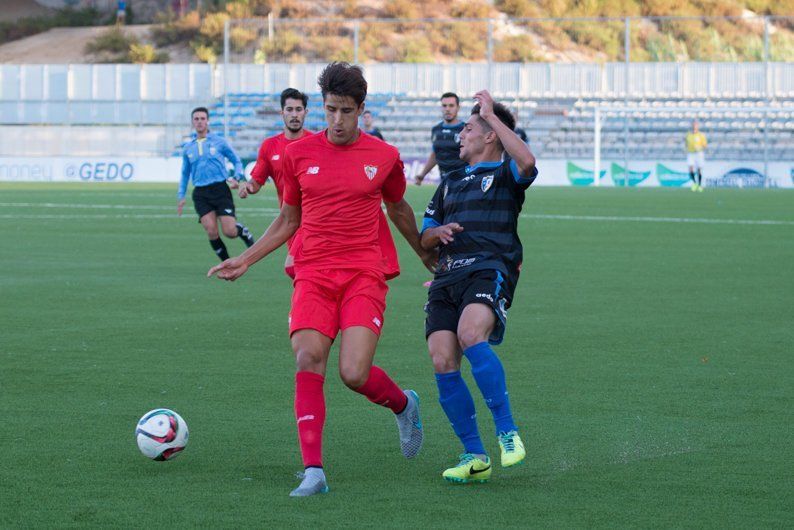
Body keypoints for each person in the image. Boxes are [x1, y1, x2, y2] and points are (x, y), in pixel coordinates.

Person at [208, 62, 437, 497]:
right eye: (330, 110)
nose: (336, 121)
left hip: (364, 272)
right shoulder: (298, 155)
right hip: (312, 270)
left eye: (346, 111)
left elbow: (400, 210)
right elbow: (288, 219)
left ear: (361, 109)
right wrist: (246, 260)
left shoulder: (383, 157)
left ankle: (404, 405)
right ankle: (314, 471)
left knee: (353, 372)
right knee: (308, 357)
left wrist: (425, 253)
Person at [420, 90, 538, 484]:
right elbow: (424, 237)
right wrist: (437, 232)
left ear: (489, 136)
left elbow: (527, 162)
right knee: (441, 358)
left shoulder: (505, 175)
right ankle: (474, 454)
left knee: (471, 333)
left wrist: (491, 114)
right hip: (446, 277)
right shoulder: (450, 181)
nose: (460, 134)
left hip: (488, 269)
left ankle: (507, 433)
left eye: (468, 128)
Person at [238, 88, 312, 278]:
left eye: (298, 109)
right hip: (289, 221)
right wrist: (247, 187)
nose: (294, 115)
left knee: (294, 267)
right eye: (289, 110)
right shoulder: (270, 146)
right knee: (304, 275)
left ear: (306, 112)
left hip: (316, 220)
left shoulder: (317, 143)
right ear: (282, 113)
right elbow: (256, 182)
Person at [178, 107, 255, 260]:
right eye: (196, 119)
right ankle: (226, 263)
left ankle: (243, 232)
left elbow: (236, 160)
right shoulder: (188, 148)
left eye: (202, 118)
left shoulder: (219, 142)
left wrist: (237, 177)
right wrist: (181, 195)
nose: (199, 122)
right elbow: (185, 173)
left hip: (220, 189)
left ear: (208, 121)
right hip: (200, 193)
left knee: (229, 232)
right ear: (192, 122)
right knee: (211, 230)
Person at [414, 92, 466, 186]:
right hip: (444, 181)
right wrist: (422, 175)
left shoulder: (465, 129)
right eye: (444, 106)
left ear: (458, 107)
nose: (447, 109)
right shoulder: (436, 130)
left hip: (463, 180)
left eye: (451, 106)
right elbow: (435, 155)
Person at [685, 120, 707, 192]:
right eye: (693, 124)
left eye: (696, 125)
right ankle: (695, 183)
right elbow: (686, 144)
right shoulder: (688, 135)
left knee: (699, 169)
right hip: (691, 153)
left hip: (699, 153)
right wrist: (687, 149)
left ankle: (700, 185)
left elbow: (705, 145)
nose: (694, 126)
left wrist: (700, 147)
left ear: (697, 126)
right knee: (690, 168)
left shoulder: (701, 135)